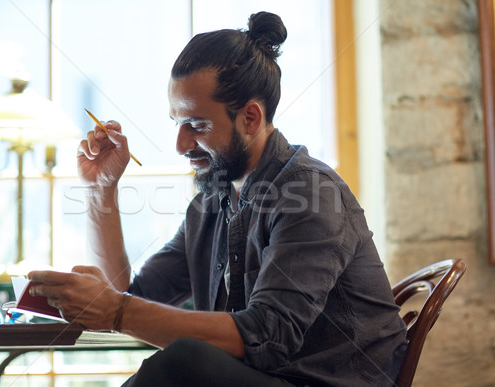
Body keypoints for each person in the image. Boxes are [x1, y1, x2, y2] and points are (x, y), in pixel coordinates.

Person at [29, 11, 408, 386]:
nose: (180, 145)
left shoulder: (311, 194)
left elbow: (267, 335)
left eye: (197, 125)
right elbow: (131, 295)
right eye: (178, 124)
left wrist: (116, 310)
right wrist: (101, 191)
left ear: (251, 118)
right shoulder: (212, 204)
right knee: (182, 359)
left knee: (183, 360)